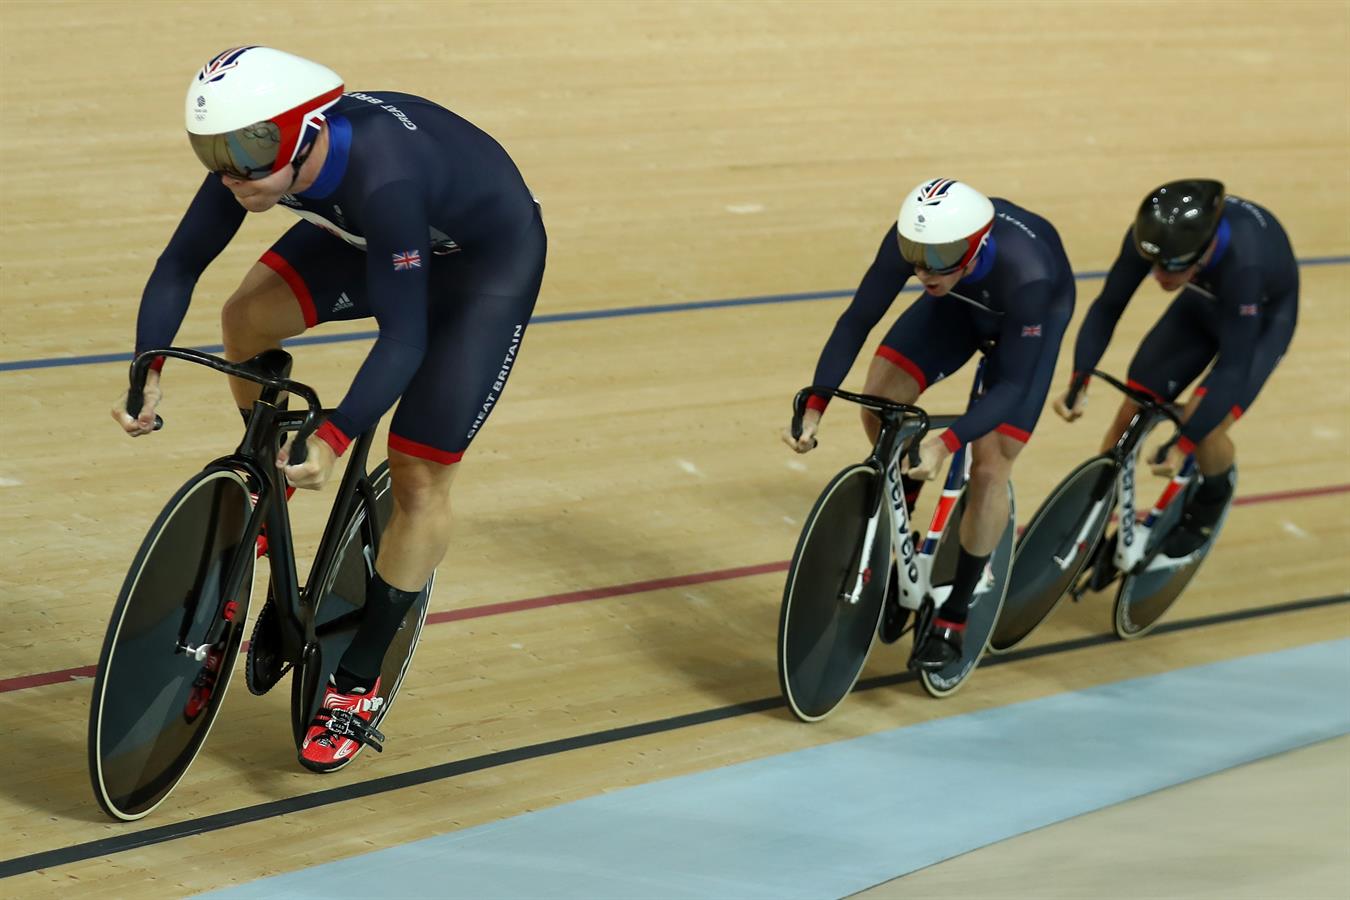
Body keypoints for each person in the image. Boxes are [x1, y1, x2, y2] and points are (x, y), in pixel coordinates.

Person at [110, 46, 546, 771]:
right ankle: (267, 475)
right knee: (245, 319)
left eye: (248, 151)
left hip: (482, 269)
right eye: (211, 151)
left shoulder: (386, 175)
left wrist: (338, 432)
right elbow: (179, 264)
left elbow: (404, 340)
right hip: (371, 240)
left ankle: (357, 679)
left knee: (417, 476)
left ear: (309, 130)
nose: (231, 173)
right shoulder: (255, 154)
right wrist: (146, 364)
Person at [783, 178, 1074, 670]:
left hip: (1027, 326)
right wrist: (816, 403)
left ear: (977, 242)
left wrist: (946, 442)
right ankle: (907, 508)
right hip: (959, 305)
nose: (922, 269)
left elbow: (1011, 388)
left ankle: (955, 614)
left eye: (937, 257)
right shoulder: (925, 248)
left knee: (989, 466)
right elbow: (857, 319)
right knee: (879, 403)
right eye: (915, 255)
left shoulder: (1030, 273)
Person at [1055, 180, 1297, 560]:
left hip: (1260, 318)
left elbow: (1234, 367)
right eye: (1154, 265)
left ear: (1205, 252)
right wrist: (1079, 376)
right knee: (1134, 406)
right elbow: (1107, 307)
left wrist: (1183, 442)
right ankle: (1095, 514)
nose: (1160, 276)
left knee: (1205, 424)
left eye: (1173, 267)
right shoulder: (1152, 238)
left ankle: (1209, 501)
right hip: (1201, 303)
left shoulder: (1244, 263)